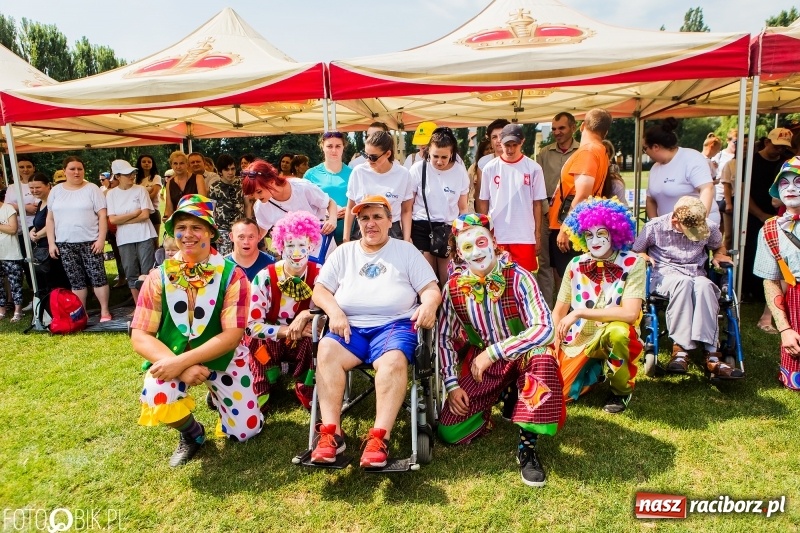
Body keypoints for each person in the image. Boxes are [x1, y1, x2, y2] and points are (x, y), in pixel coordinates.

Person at [131, 194, 264, 467]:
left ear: (210, 233)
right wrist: (180, 367)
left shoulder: (232, 275)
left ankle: (218, 397)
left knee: (245, 432)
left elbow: (232, 336)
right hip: (175, 357)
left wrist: (183, 362)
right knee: (158, 394)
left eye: (196, 227)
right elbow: (140, 335)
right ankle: (193, 434)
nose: (187, 234)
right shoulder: (157, 276)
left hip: (223, 358)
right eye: (181, 227)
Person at [309, 195, 440, 468]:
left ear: (389, 221)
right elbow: (320, 290)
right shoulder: (344, 252)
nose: (370, 223)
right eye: (364, 218)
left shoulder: (405, 251)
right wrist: (334, 312)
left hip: (394, 325)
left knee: (392, 361)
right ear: (357, 222)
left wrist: (429, 304)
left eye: (377, 217)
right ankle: (332, 434)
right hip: (350, 326)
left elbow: (430, 289)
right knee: (326, 349)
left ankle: (379, 437)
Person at [437, 213, 564, 488]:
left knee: (543, 357)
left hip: (520, 356)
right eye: (467, 247)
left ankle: (527, 448)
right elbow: (445, 338)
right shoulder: (453, 289)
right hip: (485, 366)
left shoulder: (519, 277)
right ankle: (505, 396)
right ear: (459, 252)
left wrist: (494, 352)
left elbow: (545, 328)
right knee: (450, 430)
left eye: (481, 241)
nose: (477, 251)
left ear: (494, 242)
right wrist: (451, 385)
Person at [632, 196, 741, 379]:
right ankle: (681, 349)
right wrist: (643, 257)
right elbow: (636, 250)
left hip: (696, 274)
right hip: (664, 276)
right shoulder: (655, 227)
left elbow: (719, 247)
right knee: (683, 284)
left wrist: (719, 255)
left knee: (706, 286)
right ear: (675, 220)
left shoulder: (710, 227)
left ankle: (712, 353)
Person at [553, 198, 644, 412]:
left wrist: (581, 312)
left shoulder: (633, 263)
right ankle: (595, 371)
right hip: (579, 337)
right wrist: (552, 345)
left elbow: (630, 314)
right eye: (589, 235)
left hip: (612, 331)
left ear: (615, 232)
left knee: (619, 334)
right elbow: (558, 312)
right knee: (559, 395)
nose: (595, 240)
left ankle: (620, 391)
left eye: (601, 233)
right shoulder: (575, 265)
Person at [245, 211, 322, 413]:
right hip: (271, 340)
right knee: (255, 342)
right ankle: (265, 384)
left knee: (317, 340)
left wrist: (311, 322)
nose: (296, 253)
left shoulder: (321, 274)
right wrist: (287, 331)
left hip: (305, 338)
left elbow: (331, 310)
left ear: (312, 245)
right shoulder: (264, 278)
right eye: (290, 245)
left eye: (302, 245)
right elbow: (251, 326)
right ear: (280, 247)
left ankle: (307, 387)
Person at [46, 156, 112, 322]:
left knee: (98, 278)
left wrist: (101, 239)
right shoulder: (56, 191)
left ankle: (105, 311)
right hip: (65, 243)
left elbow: (103, 216)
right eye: (72, 169)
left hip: (90, 242)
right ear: (64, 171)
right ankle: (81, 313)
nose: (76, 172)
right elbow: (50, 219)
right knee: (76, 281)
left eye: (79, 169)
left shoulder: (92, 189)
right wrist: (51, 243)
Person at [754, 157, 800, 390]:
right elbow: (771, 280)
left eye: (798, 181)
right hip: (795, 300)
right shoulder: (771, 229)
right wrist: (785, 328)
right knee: (794, 377)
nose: (791, 188)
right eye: (784, 183)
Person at [550, 109, 612, 279]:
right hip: (581, 223)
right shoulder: (601, 150)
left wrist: (566, 228)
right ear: (605, 131)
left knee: (571, 281)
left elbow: (583, 194)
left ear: (582, 126)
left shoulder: (588, 152)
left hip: (572, 226)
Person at [477, 124, 547, 274]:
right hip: (498, 234)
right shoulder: (490, 168)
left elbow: (537, 204)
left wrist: (537, 235)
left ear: (522, 142)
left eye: (514, 145)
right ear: (500, 142)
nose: (510, 149)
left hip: (524, 235)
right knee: (497, 278)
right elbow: (483, 201)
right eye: (506, 145)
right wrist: (485, 231)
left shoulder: (534, 168)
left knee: (524, 278)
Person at [409, 127, 470, 285]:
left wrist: (463, 236)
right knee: (427, 279)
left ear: (452, 154)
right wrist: (406, 236)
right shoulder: (417, 169)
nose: (439, 161)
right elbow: (407, 207)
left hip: (447, 228)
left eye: (445, 157)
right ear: (428, 150)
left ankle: (447, 308)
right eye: (435, 156)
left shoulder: (459, 172)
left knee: (447, 278)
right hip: (421, 226)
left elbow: (463, 208)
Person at [243, 159, 336, 259]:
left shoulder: (302, 187)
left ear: (272, 182)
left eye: (259, 191)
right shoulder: (260, 206)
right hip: (292, 256)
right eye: (253, 193)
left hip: (321, 249)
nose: (256, 197)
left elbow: (330, 202)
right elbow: (261, 231)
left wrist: (332, 220)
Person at [742, 127, 794, 305]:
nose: (780, 150)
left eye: (783, 147)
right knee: (751, 251)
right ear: (766, 142)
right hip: (753, 214)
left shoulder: (787, 163)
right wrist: (760, 214)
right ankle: (748, 289)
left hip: (780, 216)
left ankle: (770, 293)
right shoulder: (750, 162)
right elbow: (743, 192)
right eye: (776, 146)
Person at [536, 112, 580, 307]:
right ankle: (547, 309)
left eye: (561, 128)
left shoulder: (582, 151)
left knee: (569, 264)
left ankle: (570, 308)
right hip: (546, 213)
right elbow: (537, 187)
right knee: (545, 264)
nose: (557, 132)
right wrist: (547, 211)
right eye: (554, 129)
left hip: (573, 214)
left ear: (573, 127)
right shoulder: (544, 153)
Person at [643, 118, 720, 226]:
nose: (645, 153)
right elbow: (650, 199)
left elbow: (707, 189)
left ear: (655, 147)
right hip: (669, 229)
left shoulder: (691, 158)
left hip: (695, 228)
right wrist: (654, 224)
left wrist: (698, 222)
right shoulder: (655, 168)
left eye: (645, 148)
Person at [343, 131, 414, 242]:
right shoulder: (358, 172)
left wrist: (406, 239)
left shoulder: (403, 174)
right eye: (365, 154)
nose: (368, 160)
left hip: (391, 230)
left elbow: (406, 210)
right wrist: (345, 239)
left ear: (388, 154)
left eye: (373, 157)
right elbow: (350, 206)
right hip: (364, 228)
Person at [106, 159, 157, 303]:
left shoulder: (140, 189)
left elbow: (145, 215)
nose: (131, 176)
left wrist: (123, 220)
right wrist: (134, 214)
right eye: (127, 174)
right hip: (124, 237)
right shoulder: (111, 194)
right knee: (130, 272)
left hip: (144, 234)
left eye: (132, 173)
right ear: (117, 176)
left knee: (148, 271)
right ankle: (138, 305)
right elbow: (113, 220)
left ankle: (151, 303)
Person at [304, 132, 352, 245]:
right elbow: (304, 204)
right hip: (320, 234)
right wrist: (325, 211)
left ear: (343, 147)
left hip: (347, 233)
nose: (334, 150)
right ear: (322, 147)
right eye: (329, 146)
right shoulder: (311, 174)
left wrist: (350, 209)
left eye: (338, 146)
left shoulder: (353, 173)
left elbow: (361, 200)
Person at [28, 173, 70, 294]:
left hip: (54, 249)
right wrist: (32, 231)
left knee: (58, 282)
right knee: (48, 283)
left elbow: (55, 222)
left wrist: (38, 235)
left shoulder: (55, 202)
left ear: (48, 186)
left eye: (38, 187)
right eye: (31, 188)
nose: (34, 190)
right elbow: (39, 223)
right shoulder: (41, 203)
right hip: (43, 250)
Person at [208, 154, 246, 256]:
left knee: (243, 255)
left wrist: (248, 223)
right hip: (222, 229)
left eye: (232, 169)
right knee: (225, 259)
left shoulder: (242, 184)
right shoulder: (215, 187)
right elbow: (211, 210)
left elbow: (247, 205)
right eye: (226, 170)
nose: (230, 172)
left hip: (240, 227)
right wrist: (213, 230)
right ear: (220, 171)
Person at [0, 187, 25, 322]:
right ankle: (2, 310)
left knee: (15, 283)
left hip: (10, 253)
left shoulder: (8, 209)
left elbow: (13, 229)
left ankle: (17, 311)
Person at [474, 118, 510, 208]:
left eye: (502, 136)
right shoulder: (483, 163)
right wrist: (483, 219)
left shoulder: (523, 163)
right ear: (490, 141)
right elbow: (480, 195)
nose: (499, 140)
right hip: (492, 215)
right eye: (494, 137)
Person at [164, 151, 207, 218]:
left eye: (181, 163)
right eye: (175, 163)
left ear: (187, 164)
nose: (178, 166)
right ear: (171, 165)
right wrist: (166, 218)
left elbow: (203, 203)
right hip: (178, 221)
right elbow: (169, 208)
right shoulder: (169, 182)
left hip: (196, 218)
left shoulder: (198, 178)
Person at [135, 154, 164, 243]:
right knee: (141, 240)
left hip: (153, 211)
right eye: (144, 162)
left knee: (154, 242)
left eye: (149, 162)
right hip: (138, 212)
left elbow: (154, 194)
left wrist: (140, 200)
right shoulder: (135, 179)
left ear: (152, 164)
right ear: (139, 163)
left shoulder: (156, 177)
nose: (146, 164)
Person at [601, 140, 628, 207]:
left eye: (606, 151)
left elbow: (622, 207)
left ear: (611, 154)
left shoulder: (615, 183)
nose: (602, 153)